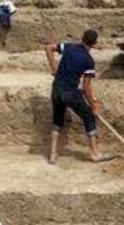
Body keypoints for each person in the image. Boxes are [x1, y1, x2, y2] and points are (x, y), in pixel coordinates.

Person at [44, 30, 112, 164]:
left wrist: (53, 68)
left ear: (82, 38)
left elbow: (49, 48)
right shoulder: (89, 61)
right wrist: (93, 105)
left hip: (56, 89)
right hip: (70, 93)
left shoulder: (69, 47)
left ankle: (52, 155)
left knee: (57, 120)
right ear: (94, 44)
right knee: (89, 117)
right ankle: (95, 154)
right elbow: (86, 87)